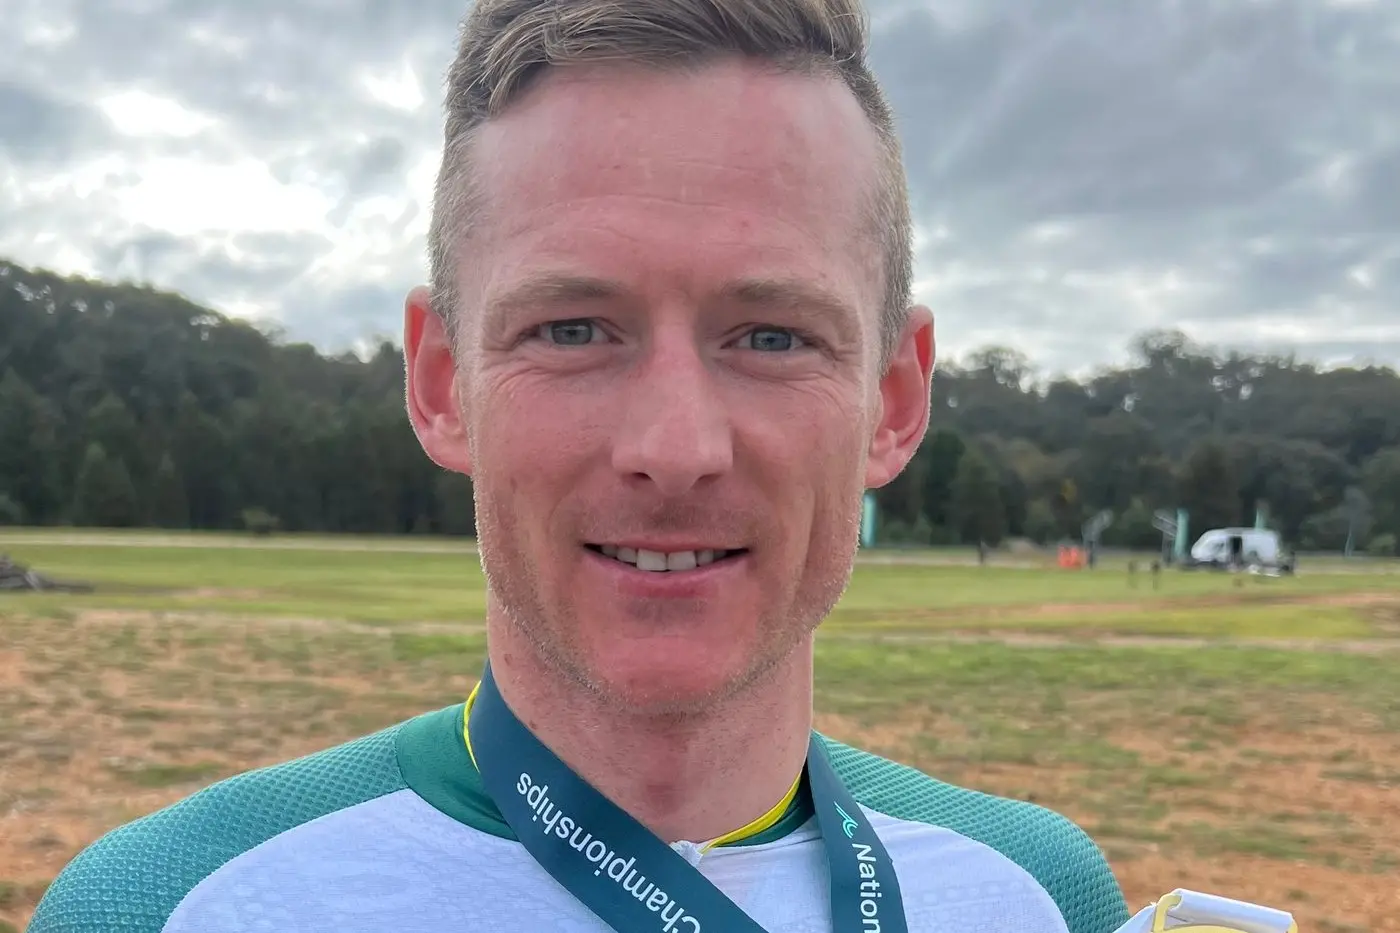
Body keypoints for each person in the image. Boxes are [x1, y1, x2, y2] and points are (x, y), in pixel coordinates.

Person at [29, 1, 1132, 930]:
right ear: (440, 386)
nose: (673, 451)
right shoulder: (164, 906)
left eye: (771, 336)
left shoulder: (1035, 896)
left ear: (891, 402)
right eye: (571, 329)